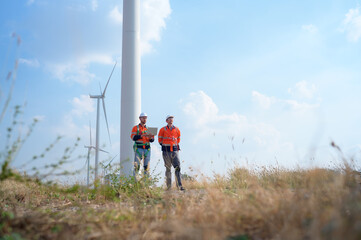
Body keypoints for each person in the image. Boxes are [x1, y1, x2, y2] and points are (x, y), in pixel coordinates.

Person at [158, 115, 185, 191]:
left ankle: (179, 186)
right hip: (166, 152)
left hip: (175, 151)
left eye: (172, 119)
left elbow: (178, 139)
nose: (171, 120)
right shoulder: (162, 130)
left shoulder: (177, 129)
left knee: (177, 168)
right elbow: (159, 140)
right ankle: (169, 187)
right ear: (166, 121)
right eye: (169, 119)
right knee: (168, 169)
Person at [131, 112, 154, 179]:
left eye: (146, 118)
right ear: (140, 118)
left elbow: (152, 140)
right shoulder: (136, 128)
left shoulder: (149, 128)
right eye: (143, 118)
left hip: (147, 149)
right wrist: (141, 135)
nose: (145, 119)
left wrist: (150, 138)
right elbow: (133, 137)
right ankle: (135, 182)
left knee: (146, 167)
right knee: (136, 166)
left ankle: (145, 183)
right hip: (139, 149)